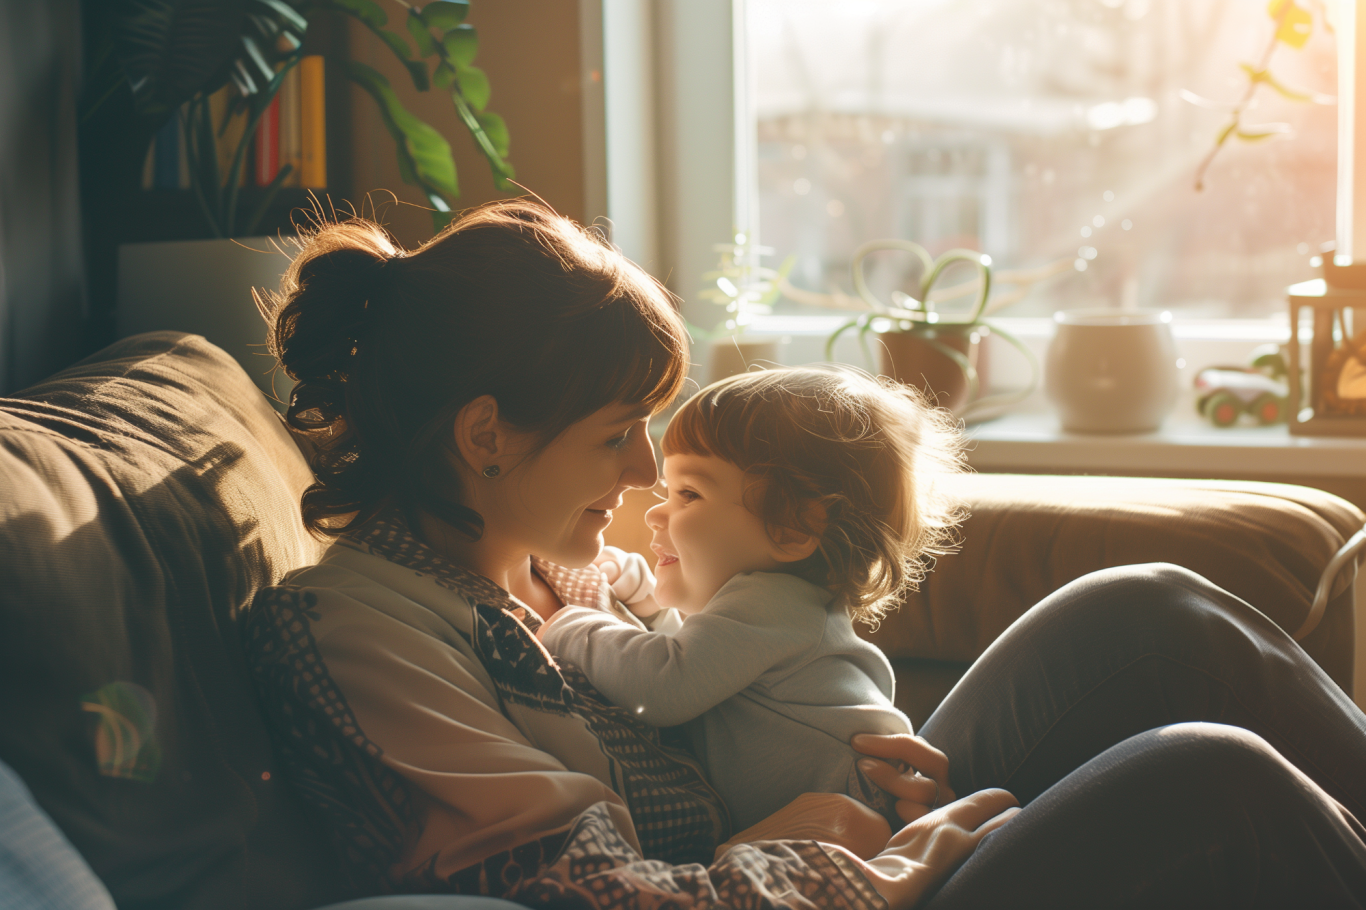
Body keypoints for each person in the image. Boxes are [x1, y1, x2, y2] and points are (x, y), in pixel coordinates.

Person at [245, 198, 1366, 910]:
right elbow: (576, 890)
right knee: (1210, 780)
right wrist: (835, 849)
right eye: (611, 435)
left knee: (1149, 613)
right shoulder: (363, 633)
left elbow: (751, 652)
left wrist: (859, 758)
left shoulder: (550, 559)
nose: (642, 474)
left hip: (821, 829)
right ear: (485, 435)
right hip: (795, 888)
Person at [538, 367, 962, 832]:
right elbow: (702, 668)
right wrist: (649, 606)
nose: (658, 512)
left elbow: (662, 686)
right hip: (861, 812)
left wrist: (570, 624)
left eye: (689, 494)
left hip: (861, 819)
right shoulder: (784, 608)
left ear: (792, 528)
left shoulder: (771, 600)